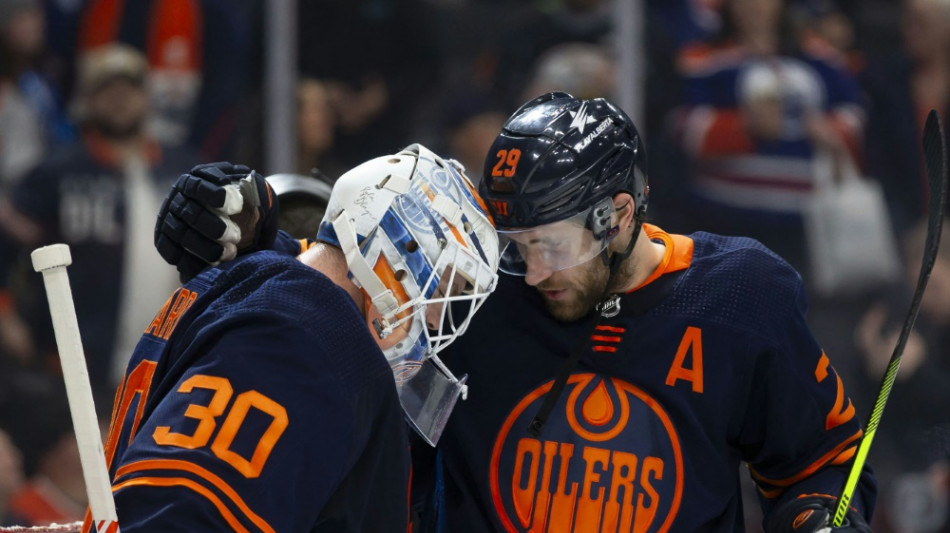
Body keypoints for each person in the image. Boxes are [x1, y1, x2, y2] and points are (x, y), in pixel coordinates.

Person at [155, 93, 876, 532]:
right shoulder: (480, 291)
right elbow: (341, 284)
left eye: (551, 247)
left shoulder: (737, 295)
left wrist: (825, 518)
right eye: (514, 244)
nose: (529, 272)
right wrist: (247, 236)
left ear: (617, 215)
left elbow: (823, 462)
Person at [99, 143, 498, 532]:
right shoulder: (310, 333)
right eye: (445, 283)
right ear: (397, 252)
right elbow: (183, 512)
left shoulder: (279, 299)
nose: (433, 318)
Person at [0, 43, 200, 404]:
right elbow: (7, 240)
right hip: (71, 363)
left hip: (169, 364)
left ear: (147, 97)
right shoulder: (57, 173)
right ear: (86, 101)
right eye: (107, 90)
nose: (119, 99)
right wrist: (5, 313)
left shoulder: (184, 173)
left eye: (129, 88)